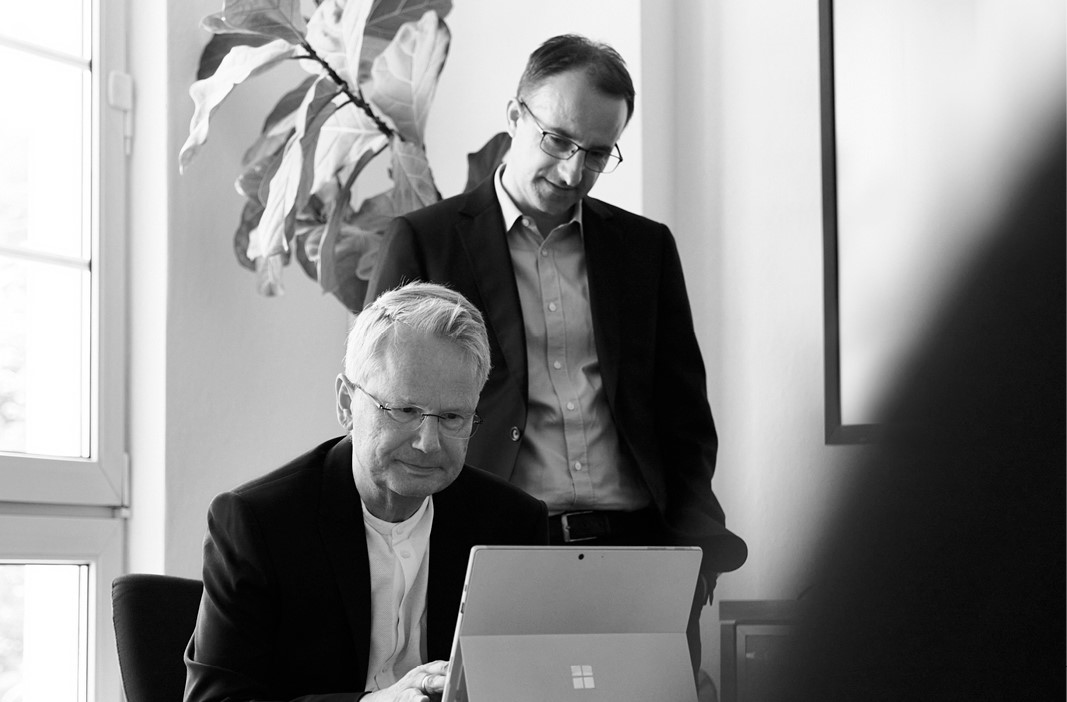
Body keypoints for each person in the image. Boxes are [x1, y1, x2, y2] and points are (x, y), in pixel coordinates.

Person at [366, 34, 746, 670]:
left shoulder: (645, 250)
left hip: (641, 556)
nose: (574, 172)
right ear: (515, 116)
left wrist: (695, 556)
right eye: (558, 141)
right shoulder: (425, 241)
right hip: (493, 551)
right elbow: (381, 411)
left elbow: (684, 419)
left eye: (597, 154)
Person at [184, 282, 549, 702]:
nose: (428, 443)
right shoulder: (258, 524)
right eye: (405, 410)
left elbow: (530, 684)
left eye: (452, 417)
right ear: (346, 403)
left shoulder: (510, 523)